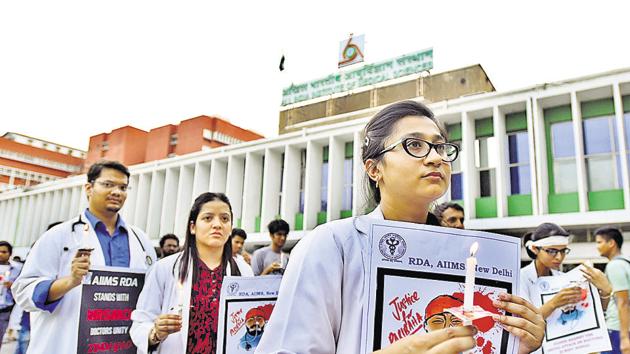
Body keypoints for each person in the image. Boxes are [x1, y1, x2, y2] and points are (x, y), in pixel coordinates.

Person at [255, 100, 545, 354]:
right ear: (374, 169)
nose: (435, 158)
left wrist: (514, 343)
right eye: (414, 145)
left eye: (440, 147)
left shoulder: (473, 256)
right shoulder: (334, 244)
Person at [12, 160, 157, 354]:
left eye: (123, 187)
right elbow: (23, 291)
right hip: (66, 345)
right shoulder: (58, 236)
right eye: (108, 184)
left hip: (122, 346)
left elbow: (152, 296)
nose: (117, 192)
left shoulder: (141, 240)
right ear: (89, 188)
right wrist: (70, 281)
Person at [130, 192, 254, 354]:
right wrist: (156, 333)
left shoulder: (244, 270)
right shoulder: (165, 268)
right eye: (208, 218)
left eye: (224, 219)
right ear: (193, 227)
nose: (217, 224)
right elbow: (141, 322)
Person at [520, 223, 612, 353]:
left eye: (563, 251)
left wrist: (605, 292)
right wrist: (553, 303)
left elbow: (592, 313)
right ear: (535, 249)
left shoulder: (565, 278)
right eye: (552, 251)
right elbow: (524, 323)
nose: (559, 257)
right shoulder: (521, 278)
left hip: (566, 348)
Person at [595, 227, 630, 354]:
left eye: (599, 242)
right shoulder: (626, 262)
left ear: (611, 243)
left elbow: (623, 302)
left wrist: (624, 338)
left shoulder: (615, 265)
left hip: (618, 329)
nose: (597, 246)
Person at [0, 241, 20, 349]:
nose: (1, 254)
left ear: (10, 253)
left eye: (4, 252)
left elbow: (20, 289)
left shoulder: (16, 269)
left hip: (4, 309)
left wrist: (12, 286)